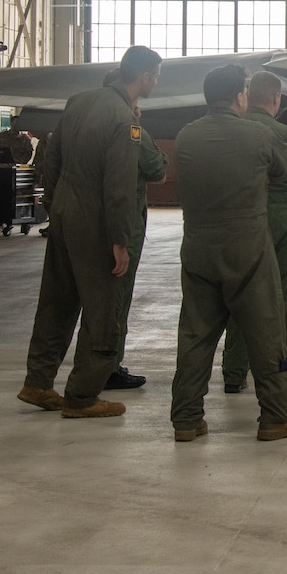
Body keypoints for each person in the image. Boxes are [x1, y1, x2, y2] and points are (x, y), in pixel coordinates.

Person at [18, 46, 160, 419]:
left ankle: (37, 382)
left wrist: (55, 205)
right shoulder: (125, 121)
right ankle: (82, 395)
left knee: (56, 302)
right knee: (104, 310)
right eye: (155, 76)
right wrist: (120, 240)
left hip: (64, 213)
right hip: (97, 222)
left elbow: (53, 159)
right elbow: (118, 186)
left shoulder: (79, 102)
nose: (156, 83)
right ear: (144, 76)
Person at [168, 65, 287, 443]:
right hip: (248, 249)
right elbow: (283, 173)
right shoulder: (259, 135)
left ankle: (186, 418)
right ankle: (276, 417)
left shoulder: (186, 136)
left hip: (197, 247)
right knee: (265, 332)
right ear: (239, 97)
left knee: (195, 335)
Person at [220, 70, 287, 396]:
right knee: (285, 295)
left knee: (240, 293)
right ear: (277, 99)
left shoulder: (231, 129)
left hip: (239, 219)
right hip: (280, 220)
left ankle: (234, 373)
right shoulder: (286, 133)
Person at [104, 67, 168, 390]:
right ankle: (108, 366)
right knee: (118, 295)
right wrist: (137, 123)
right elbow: (157, 168)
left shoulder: (87, 122)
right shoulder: (131, 128)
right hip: (124, 225)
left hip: (90, 221)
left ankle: (95, 363)